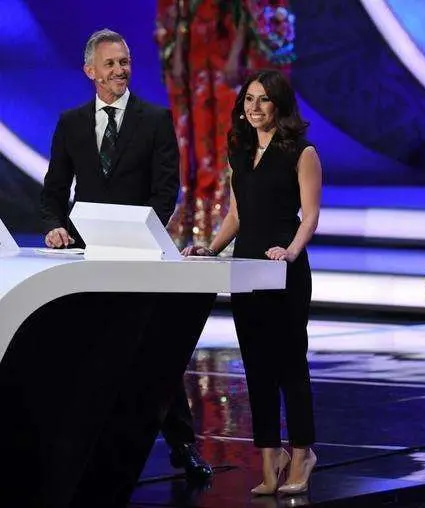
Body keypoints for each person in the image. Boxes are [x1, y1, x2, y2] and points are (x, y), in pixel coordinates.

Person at [39, 29, 213, 481]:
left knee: (153, 352)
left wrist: (139, 233)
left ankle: (183, 444)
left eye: (125, 62)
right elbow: (54, 190)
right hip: (87, 259)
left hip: (140, 256)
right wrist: (55, 226)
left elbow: (165, 189)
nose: (120, 70)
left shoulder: (154, 119)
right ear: (90, 72)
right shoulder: (71, 122)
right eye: (111, 63)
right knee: (86, 350)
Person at [183, 69, 321, 495]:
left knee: (290, 365)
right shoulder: (240, 155)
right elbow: (237, 215)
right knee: (257, 367)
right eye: (248, 100)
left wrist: (291, 251)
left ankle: (302, 452)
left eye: (263, 100)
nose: (254, 108)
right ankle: (269, 457)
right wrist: (212, 246)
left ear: (278, 105)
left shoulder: (302, 152)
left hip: (283, 269)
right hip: (245, 268)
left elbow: (310, 215)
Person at [155, 0, 297, 249]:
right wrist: (178, 52)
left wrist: (236, 50)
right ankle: (199, 220)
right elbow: (178, 13)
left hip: (231, 49)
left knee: (232, 133)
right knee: (200, 138)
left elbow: (252, 11)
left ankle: (228, 218)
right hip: (197, 51)